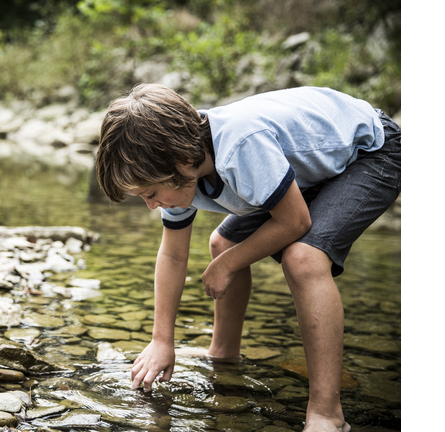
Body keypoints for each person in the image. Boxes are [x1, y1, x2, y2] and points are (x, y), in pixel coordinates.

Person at [94, 83, 400, 432]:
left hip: (371, 151)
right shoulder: (181, 168)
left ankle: (328, 414)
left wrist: (228, 265)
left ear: (182, 162)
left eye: (150, 193)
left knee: (303, 259)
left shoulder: (239, 146)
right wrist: (162, 339)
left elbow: (295, 221)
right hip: (310, 170)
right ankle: (223, 354)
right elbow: (173, 255)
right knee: (223, 242)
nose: (151, 205)